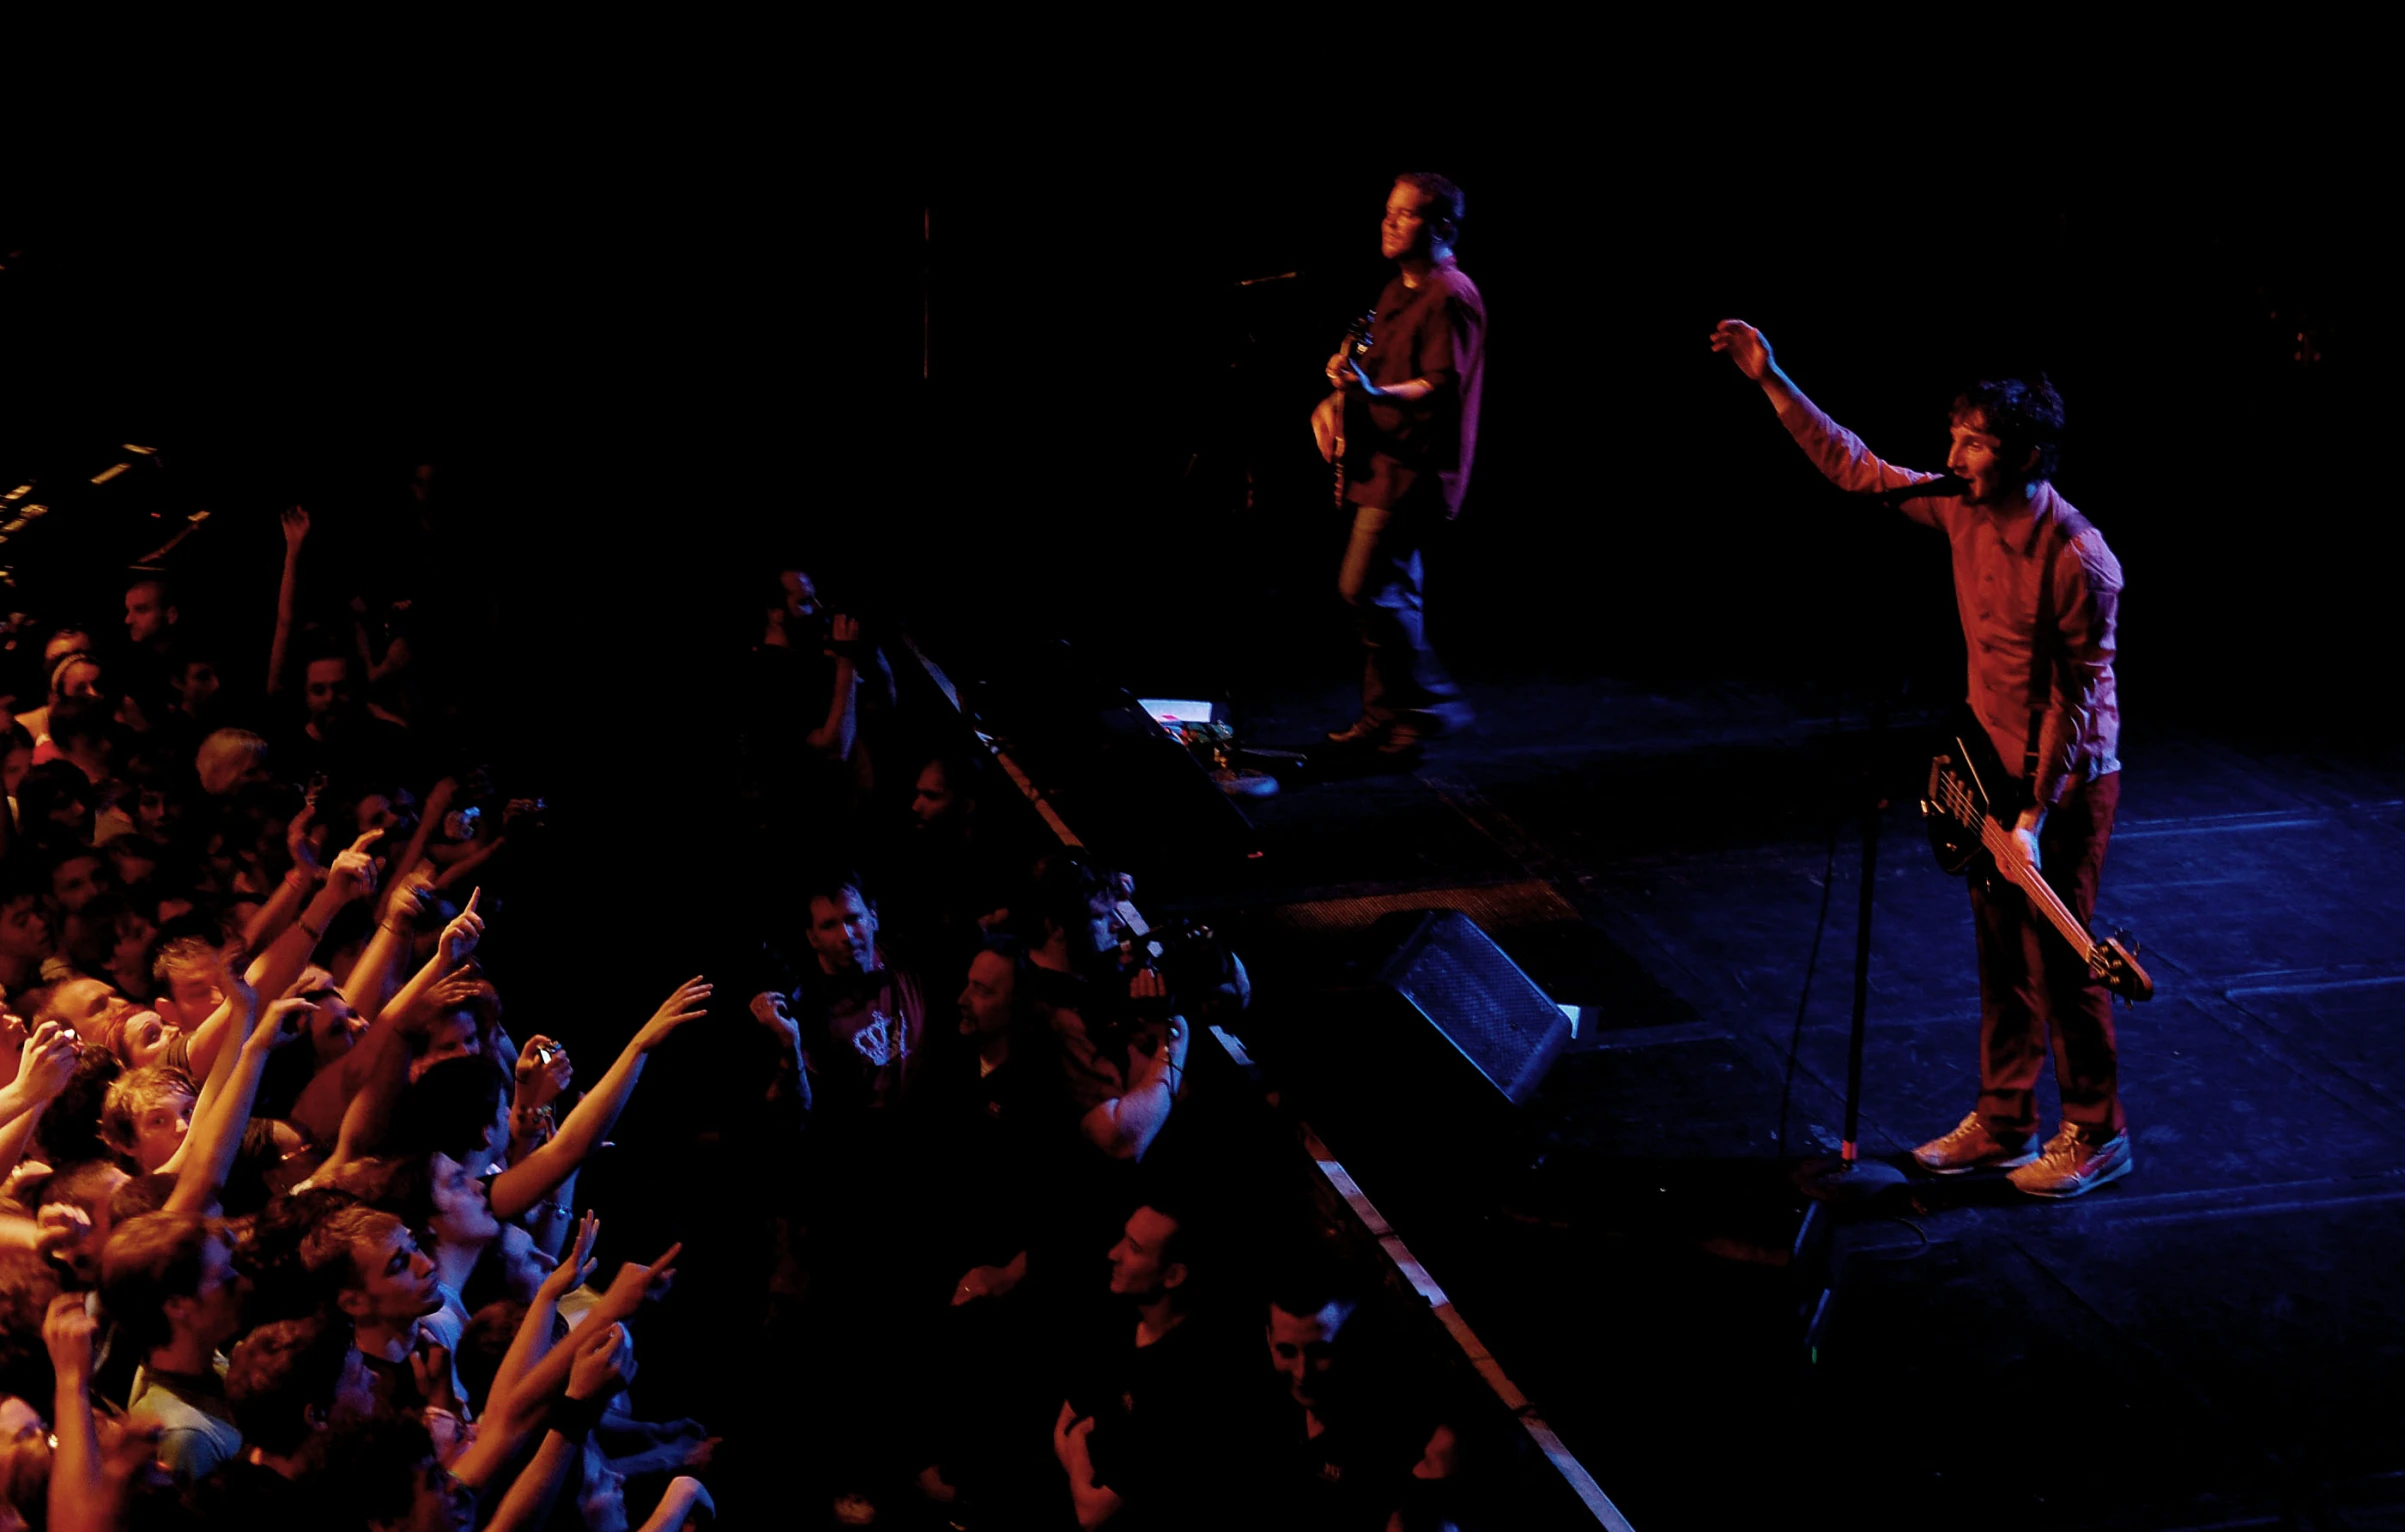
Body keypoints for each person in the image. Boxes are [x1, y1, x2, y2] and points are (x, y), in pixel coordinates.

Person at [1710, 317, 2131, 1198]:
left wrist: (2030, 818)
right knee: (1996, 951)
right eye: (1955, 436)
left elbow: (2071, 701)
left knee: (2062, 954)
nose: (1953, 454)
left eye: (1972, 442)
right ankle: (2003, 1120)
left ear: (2021, 456)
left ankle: (2096, 1133)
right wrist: (1772, 377)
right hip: (1987, 754)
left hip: (2064, 776)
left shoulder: (2078, 560)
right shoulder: (1957, 504)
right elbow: (1858, 469)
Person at [1312, 171, 1487, 756]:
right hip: (1380, 461)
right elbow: (1373, 371)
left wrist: (1378, 395)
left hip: (1415, 469)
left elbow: (1440, 387)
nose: (1389, 222)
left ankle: (1432, 704)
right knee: (1393, 594)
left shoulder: (1451, 295)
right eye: (1388, 210)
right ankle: (1390, 716)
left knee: (1361, 588)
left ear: (1440, 226)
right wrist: (1339, 395)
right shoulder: (1396, 290)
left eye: (1405, 214)